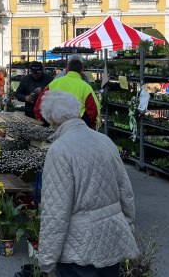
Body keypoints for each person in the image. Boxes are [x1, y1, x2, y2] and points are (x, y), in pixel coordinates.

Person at [38, 90, 139, 276]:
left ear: (52, 120)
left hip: (79, 248)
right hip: (111, 238)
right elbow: (126, 190)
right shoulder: (105, 140)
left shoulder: (59, 149)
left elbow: (55, 211)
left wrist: (46, 260)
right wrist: (127, 226)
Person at [34, 58, 99, 128]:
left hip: (54, 126)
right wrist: (89, 126)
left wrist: (42, 121)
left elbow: (39, 105)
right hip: (76, 127)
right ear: (82, 71)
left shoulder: (54, 83)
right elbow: (93, 111)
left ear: (67, 69)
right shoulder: (86, 87)